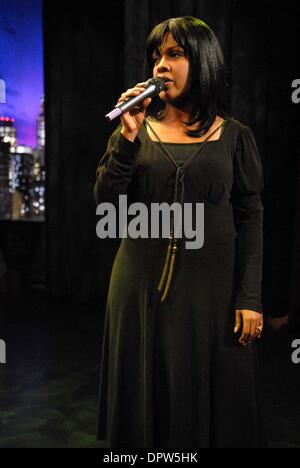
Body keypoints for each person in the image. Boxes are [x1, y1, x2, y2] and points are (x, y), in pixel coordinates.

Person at [94, 16, 266, 448]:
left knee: (214, 408)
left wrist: (249, 297)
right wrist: (126, 138)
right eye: (156, 57)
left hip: (212, 293)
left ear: (203, 62)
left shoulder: (235, 137)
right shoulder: (133, 132)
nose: (161, 66)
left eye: (175, 54)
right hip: (139, 290)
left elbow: (251, 218)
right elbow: (105, 202)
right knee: (144, 410)